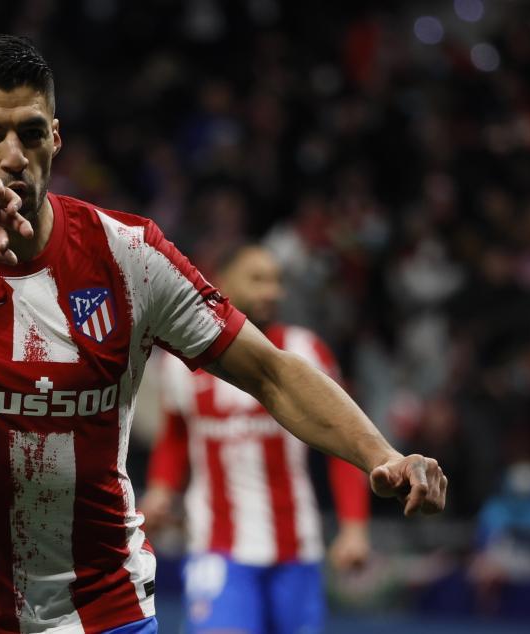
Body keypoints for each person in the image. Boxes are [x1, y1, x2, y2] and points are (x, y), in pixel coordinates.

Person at [0, 35, 447, 634]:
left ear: (56, 137)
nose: (13, 155)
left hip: (101, 613)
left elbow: (270, 370)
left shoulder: (129, 256)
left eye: (30, 132)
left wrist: (382, 454)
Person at [141, 246, 371, 633]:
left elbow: (343, 445)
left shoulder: (306, 351)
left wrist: (354, 528)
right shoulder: (181, 362)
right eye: (258, 279)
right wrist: (161, 489)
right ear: (223, 283)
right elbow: (176, 436)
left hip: (297, 549)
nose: (272, 291)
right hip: (217, 548)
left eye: (276, 281)